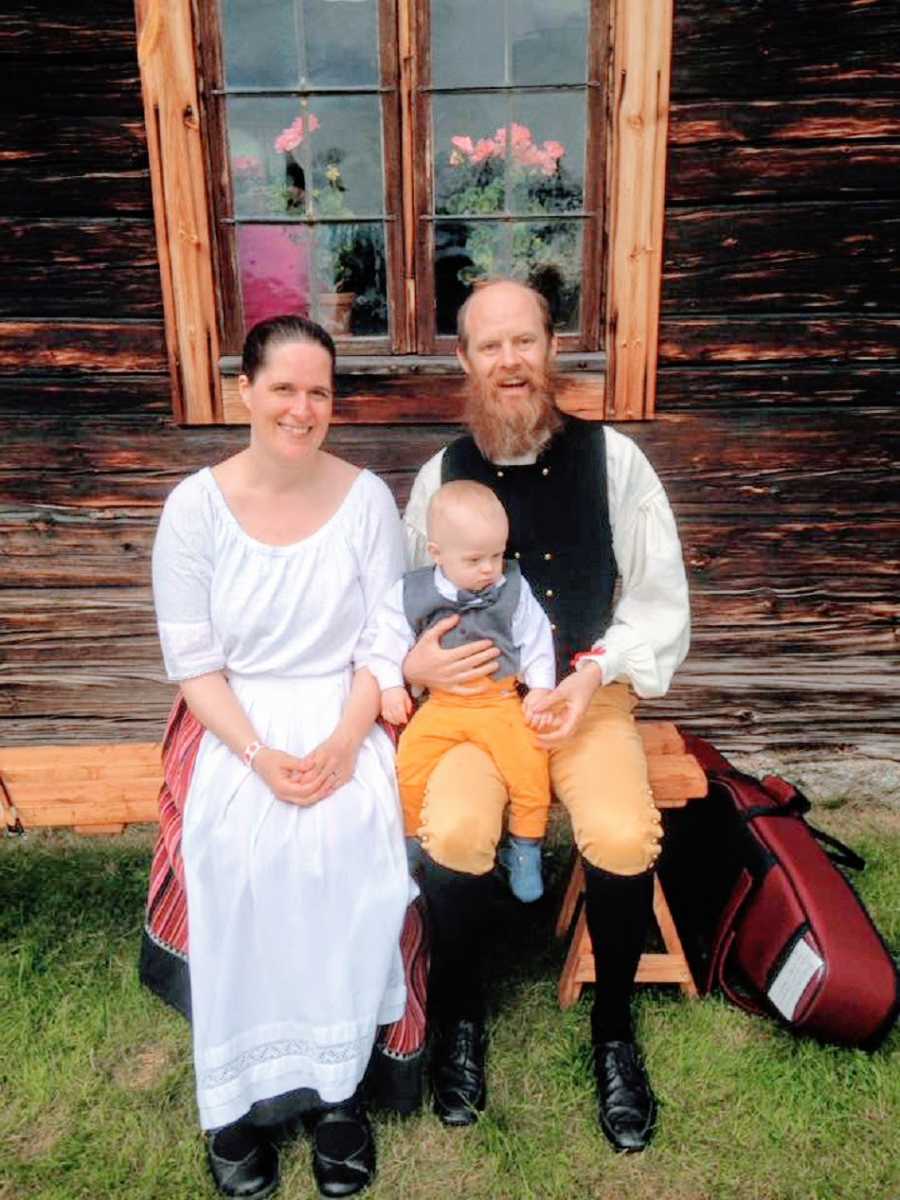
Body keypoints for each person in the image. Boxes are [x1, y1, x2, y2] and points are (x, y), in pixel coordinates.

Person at [401, 279, 690, 1149]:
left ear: (551, 347)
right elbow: (394, 605)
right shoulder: (438, 476)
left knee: (622, 833)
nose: (510, 362)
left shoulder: (616, 461)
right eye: (490, 346)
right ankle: (457, 1017)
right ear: (465, 360)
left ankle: (614, 1035)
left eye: (524, 341)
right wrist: (416, 666)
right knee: (450, 828)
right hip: (472, 706)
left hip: (587, 698)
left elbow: (658, 599)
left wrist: (592, 674)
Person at [141, 315, 416, 1200]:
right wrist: (260, 756)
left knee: (351, 844)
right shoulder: (196, 508)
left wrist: (344, 742)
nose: (303, 409)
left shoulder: (368, 498)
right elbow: (195, 665)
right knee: (235, 850)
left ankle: (338, 1091)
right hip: (238, 719)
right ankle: (233, 1099)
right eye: (286, 389)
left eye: (320, 393)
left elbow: (383, 639)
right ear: (246, 393)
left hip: (343, 706)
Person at [363, 479, 557, 903]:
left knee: (529, 768)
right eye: (475, 559)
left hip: (500, 702)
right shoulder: (410, 592)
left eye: (497, 555)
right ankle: (410, 840)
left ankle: (525, 848)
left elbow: (536, 639)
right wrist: (392, 685)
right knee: (410, 764)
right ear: (436, 553)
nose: (490, 568)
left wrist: (541, 689)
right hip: (443, 704)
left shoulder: (512, 589)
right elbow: (386, 642)